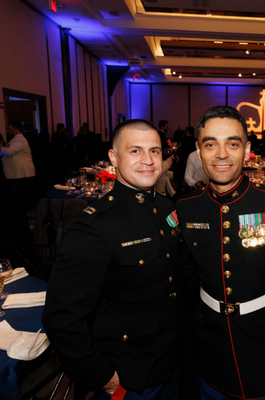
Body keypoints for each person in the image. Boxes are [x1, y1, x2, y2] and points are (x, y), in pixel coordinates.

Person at [43, 119, 181, 399]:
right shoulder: (92, 226)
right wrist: (105, 380)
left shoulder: (166, 207)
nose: (148, 160)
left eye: (155, 151)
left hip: (172, 362)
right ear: (113, 158)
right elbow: (62, 319)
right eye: (135, 151)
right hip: (129, 376)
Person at [176, 105, 265, 400]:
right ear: (198, 152)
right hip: (209, 347)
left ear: (247, 149)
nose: (222, 154)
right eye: (210, 144)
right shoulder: (186, 208)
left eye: (233, 143)